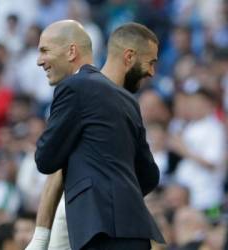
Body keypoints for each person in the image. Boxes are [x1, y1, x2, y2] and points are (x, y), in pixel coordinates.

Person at [27, 20, 165, 250]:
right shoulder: (128, 100)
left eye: (44, 51)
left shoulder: (75, 86)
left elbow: (46, 159)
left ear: (71, 51)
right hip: (135, 231)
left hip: (97, 230)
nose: (39, 60)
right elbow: (149, 175)